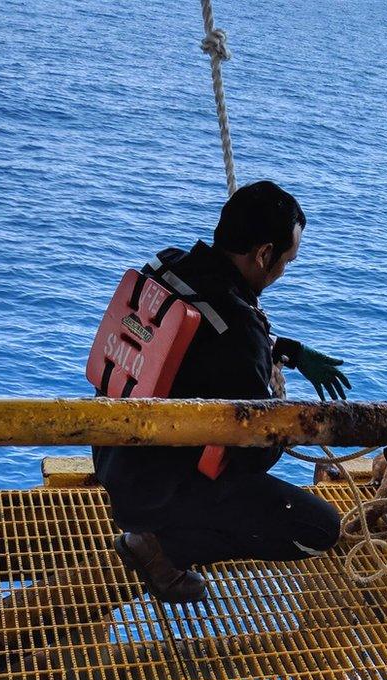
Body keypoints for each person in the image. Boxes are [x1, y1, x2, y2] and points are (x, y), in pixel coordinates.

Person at [91, 181, 349, 604]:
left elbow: (205, 340)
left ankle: (154, 531)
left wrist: (292, 351)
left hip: (111, 455)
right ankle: (161, 549)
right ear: (263, 254)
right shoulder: (238, 330)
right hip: (155, 494)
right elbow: (253, 456)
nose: (283, 272)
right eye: (286, 261)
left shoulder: (168, 265)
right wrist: (279, 406)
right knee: (319, 529)